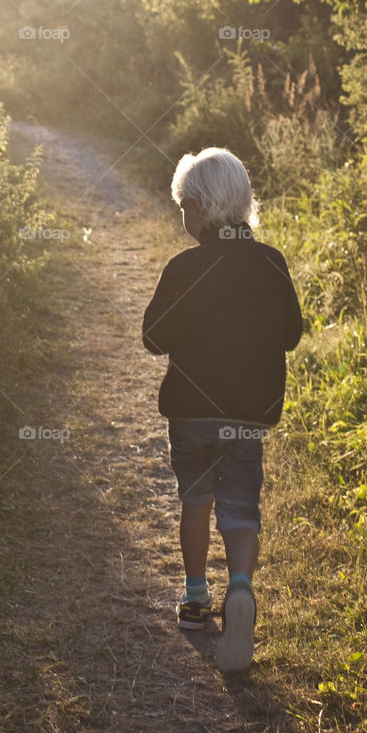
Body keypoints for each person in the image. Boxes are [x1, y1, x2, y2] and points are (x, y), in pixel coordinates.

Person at [142, 146, 303, 673]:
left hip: (191, 414)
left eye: (183, 207)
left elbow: (153, 337)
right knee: (239, 505)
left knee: (196, 500)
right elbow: (291, 335)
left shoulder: (183, 268)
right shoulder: (271, 262)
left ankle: (195, 597)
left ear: (200, 207)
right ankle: (239, 588)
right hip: (247, 416)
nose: (183, 217)